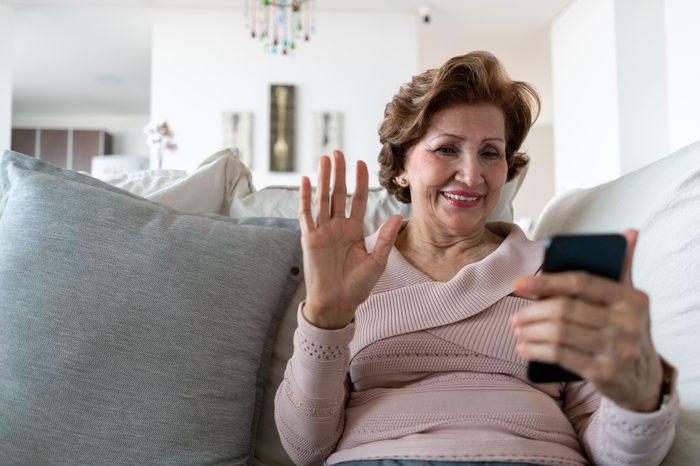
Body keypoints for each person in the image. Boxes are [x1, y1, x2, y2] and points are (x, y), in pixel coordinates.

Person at [274, 51, 678, 466]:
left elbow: (614, 455)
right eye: (447, 149)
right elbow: (307, 448)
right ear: (400, 167)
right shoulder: (351, 271)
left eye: (490, 152)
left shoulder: (556, 272)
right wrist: (325, 316)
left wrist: (642, 395)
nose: (472, 175)